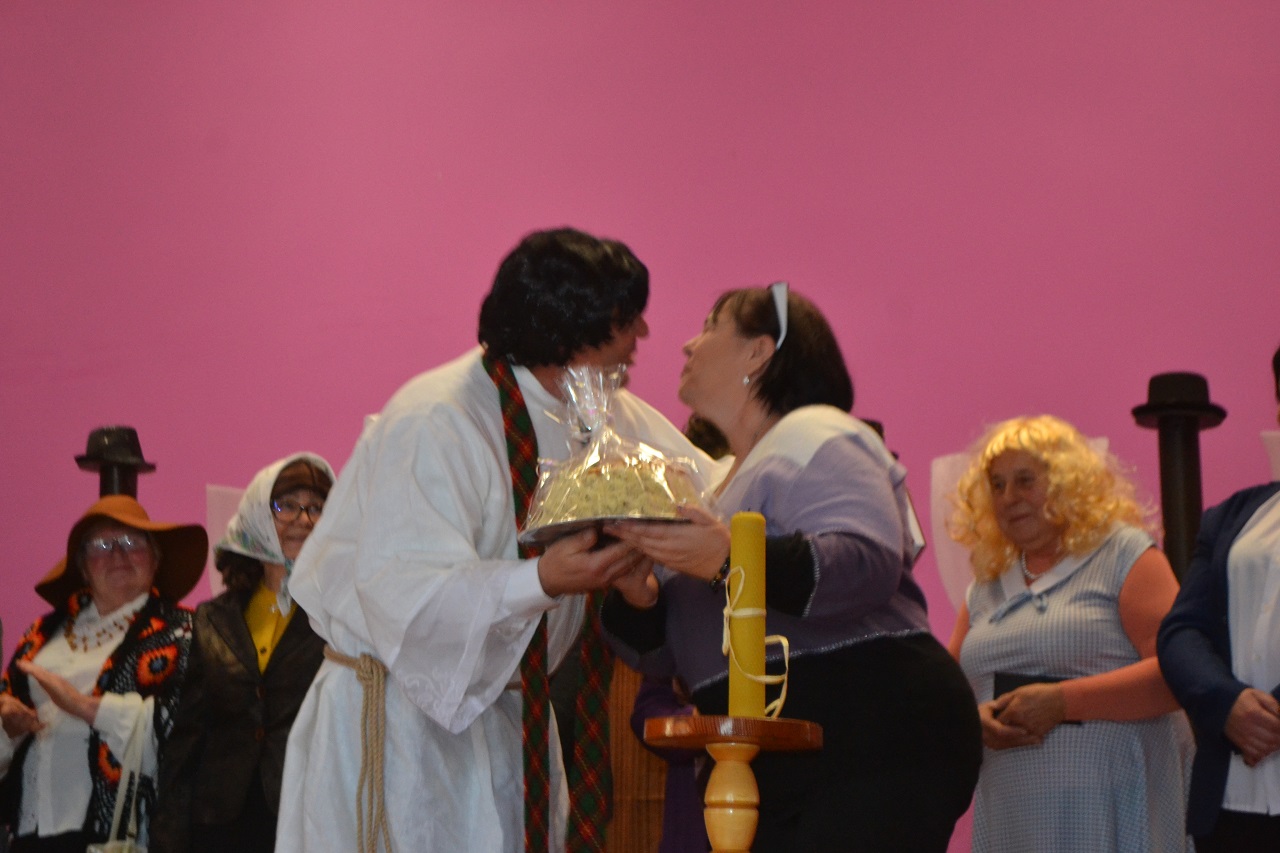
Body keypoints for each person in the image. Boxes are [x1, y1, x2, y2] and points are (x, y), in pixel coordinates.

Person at [275, 227, 720, 853]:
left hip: (510, 716)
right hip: (401, 722)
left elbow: (716, 488)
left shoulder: (597, 408)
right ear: (567, 331)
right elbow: (405, 592)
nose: (641, 335)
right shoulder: (436, 417)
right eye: (625, 320)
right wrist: (543, 579)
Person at [602, 282, 982, 852]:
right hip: (769, 757)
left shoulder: (815, 433)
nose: (687, 345)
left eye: (710, 326)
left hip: (869, 735)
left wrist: (728, 559)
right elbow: (663, 659)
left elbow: (866, 561)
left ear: (759, 351)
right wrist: (640, 598)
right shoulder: (716, 488)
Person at [947, 414, 1193, 853]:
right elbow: (948, 695)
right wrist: (969, 720)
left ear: (1067, 482)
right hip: (1013, 821)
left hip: (1116, 814)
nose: (1009, 497)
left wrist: (1062, 703)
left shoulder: (1124, 554)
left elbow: (1180, 673)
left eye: (1025, 480)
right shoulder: (984, 586)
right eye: (997, 485)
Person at [151, 453, 335, 853]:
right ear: (256, 514)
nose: (303, 519)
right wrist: (168, 837)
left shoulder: (340, 613)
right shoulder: (213, 617)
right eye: (286, 505)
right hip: (218, 821)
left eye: (317, 507)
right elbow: (187, 741)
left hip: (307, 816)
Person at [0, 495, 206, 853]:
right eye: (102, 545)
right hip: (30, 828)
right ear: (82, 566)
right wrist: (8, 725)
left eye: (132, 542)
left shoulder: (183, 632)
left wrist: (83, 706)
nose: (118, 554)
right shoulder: (40, 633)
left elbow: (185, 732)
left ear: (156, 559)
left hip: (119, 836)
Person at [1157, 343, 1280, 851]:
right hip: (1228, 803)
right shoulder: (1231, 517)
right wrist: (1226, 703)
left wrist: (1268, 719)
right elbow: (1181, 630)